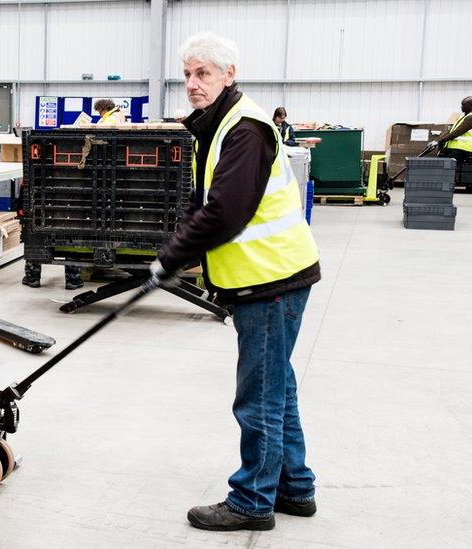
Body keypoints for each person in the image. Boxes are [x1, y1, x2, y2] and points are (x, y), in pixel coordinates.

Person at [149, 32, 321, 532]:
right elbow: (206, 199)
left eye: (202, 74)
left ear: (228, 75)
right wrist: (180, 245)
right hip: (270, 278)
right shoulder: (221, 123)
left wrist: (172, 257)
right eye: (186, 74)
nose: (192, 84)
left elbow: (226, 213)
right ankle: (296, 487)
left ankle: (252, 500)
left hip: (271, 281)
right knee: (278, 388)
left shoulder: (244, 128)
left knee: (259, 397)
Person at [434, 96, 472, 162]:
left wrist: (442, 140)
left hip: (463, 148)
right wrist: (439, 139)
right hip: (455, 148)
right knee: (444, 165)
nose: (461, 107)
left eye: (463, 105)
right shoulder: (463, 116)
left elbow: (458, 131)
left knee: (448, 166)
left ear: (471, 105)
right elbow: (452, 129)